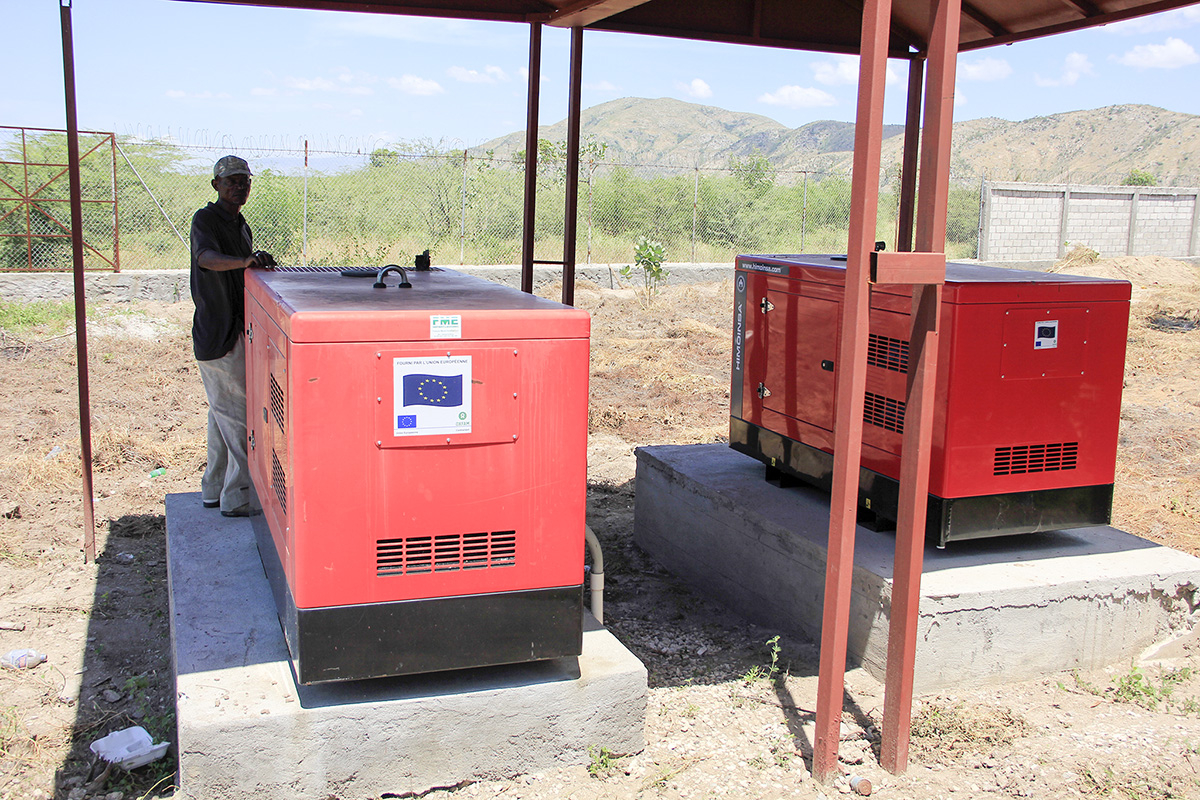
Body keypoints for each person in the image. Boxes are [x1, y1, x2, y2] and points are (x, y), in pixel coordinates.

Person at [190, 155, 276, 517]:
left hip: (235, 329)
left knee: (222, 413)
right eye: (232, 182)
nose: (239, 187)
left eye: (244, 182)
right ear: (216, 185)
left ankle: (214, 488)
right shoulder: (206, 219)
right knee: (239, 416)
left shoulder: (240, 224)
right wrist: (244, 262)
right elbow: (206, 258)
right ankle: (238, 495)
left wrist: (253, 261)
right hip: (219, 332)